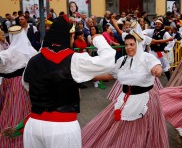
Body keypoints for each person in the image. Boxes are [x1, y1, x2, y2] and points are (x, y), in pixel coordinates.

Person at [21, 15, 116, 148]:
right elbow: (108, 61)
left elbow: (26, 84)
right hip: (62, 126)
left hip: (34, 124)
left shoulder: (33, 59)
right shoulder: (74, 60)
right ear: (69, 37)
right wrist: (99, 40)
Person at [81, 34, 169, 148]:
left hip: (144, 100)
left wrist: (157, 70)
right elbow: (110, 75)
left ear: (137, 45)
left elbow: (157, 66)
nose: (128, 47)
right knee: (117, 126)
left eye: (132, 44)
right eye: (126, 45)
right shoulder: (122, 60)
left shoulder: (147, 57)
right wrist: (89, 76)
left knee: (140, 130)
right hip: (125, 97)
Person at [0, 25, 37, 147]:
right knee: (26, 113)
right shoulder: (32, 51)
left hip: (12, 87)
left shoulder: (9, 53)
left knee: (11, 113)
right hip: (28, 87)